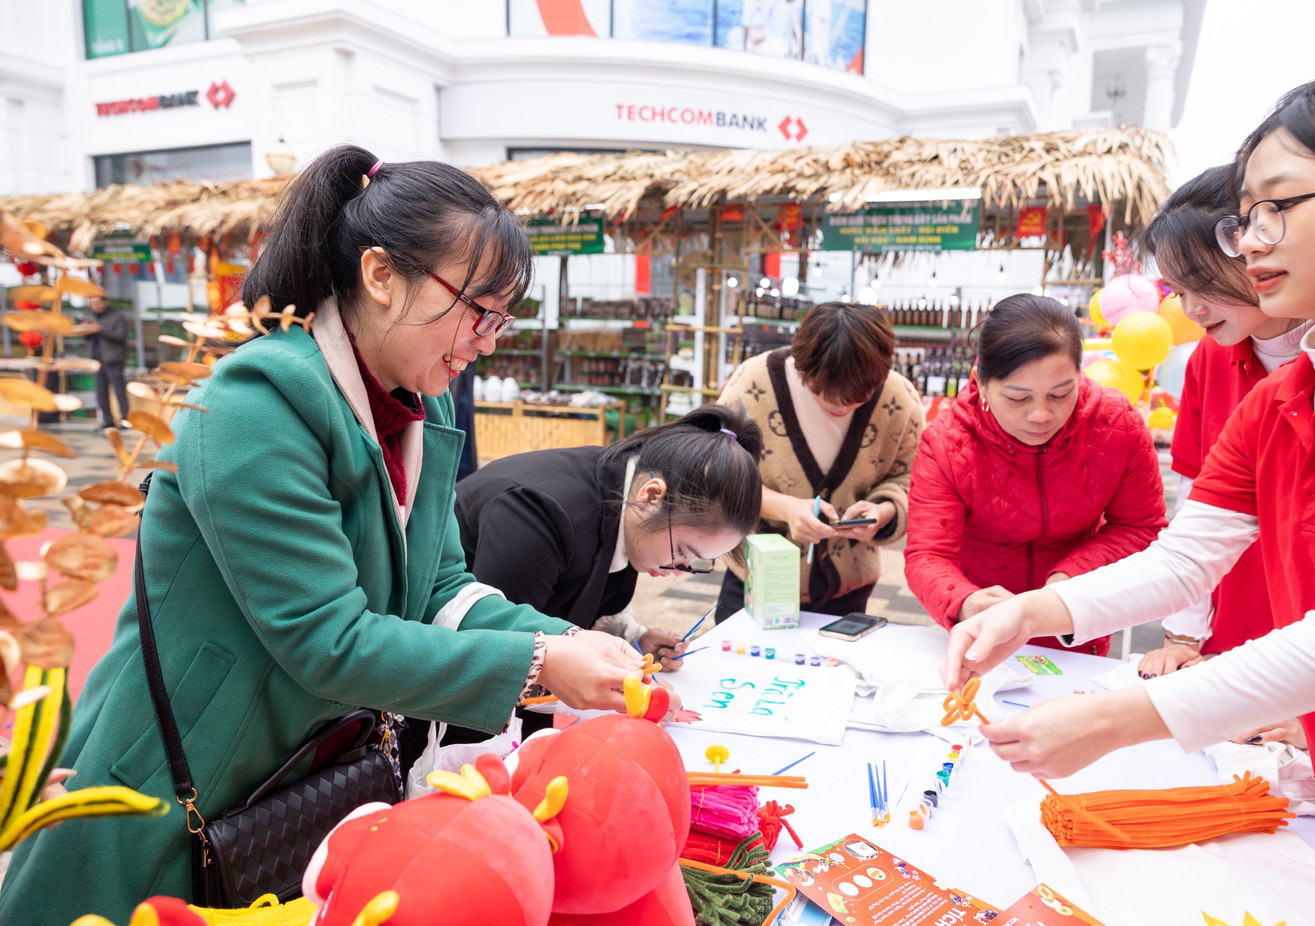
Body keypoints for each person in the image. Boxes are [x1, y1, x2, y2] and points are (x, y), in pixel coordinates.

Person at [0, 145, 643, 925]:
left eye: (502, 317)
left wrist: (569, 639)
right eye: (480, 309)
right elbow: (326, 639)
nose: (489, 339)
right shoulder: (253, 409)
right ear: (380, 276)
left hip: (296, 763)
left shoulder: (422, 406)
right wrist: (541, 661)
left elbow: (439, 587)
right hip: (178, 771)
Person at [941, 70, 1315, 884]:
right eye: (1243, 218)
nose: (1249, 242)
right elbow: (1187, 557)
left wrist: (1118, 720)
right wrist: (1034, 612)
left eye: (1277, 207)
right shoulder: (1279, 398)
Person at [904, 294, 1167, 657]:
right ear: (981, 383)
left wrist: (1068, 580)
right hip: (983, 627)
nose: (1041, 415)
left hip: (1076, 617)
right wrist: (966, 602)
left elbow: (1141, 526)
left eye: (1060, 394)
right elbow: (928, 554)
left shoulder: (1116, 424)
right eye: (1018, 398)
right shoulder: (947, 443)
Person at [1135, 168, 1312, 679]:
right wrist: (1184, 633)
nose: (1191, 309)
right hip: (1238, 619)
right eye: (1177, 290)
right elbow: (1196, 502)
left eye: (1203, 283)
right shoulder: (1210, 360)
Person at [454, 404, 763, 664]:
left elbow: (580, 598)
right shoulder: (541, 515)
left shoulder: (623, 499)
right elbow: (499, 650)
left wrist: (633, 638)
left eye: (700, 563)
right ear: (651, 496)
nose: (678, 571)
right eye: (683, 552)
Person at [714, 300, 924, 623]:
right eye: (827, 399)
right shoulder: (752, 384)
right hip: (755, 578)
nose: (843, 409)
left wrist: (884, 512)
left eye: (859, 400)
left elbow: (912, 480)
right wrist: (784, 508)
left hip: (848, 588)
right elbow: (716, 474)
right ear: (801, 366)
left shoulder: (899, 400)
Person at [87, 294, 130, 428]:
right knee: (101, 392)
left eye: (97, 303)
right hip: (97, 361)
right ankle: (107, 420)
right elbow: (86, 338)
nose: (95, 306)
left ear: (105, 302)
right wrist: (87, 330)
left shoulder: (117, 317)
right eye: (92, 304)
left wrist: (100, 329)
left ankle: (125, 419)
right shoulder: (92, 318)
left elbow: (121, 336)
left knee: (119, 391)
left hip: (113, 359)